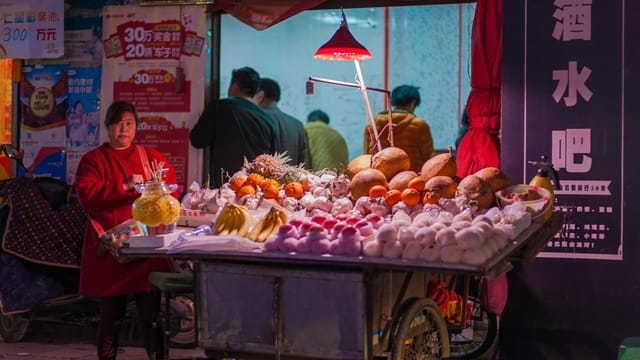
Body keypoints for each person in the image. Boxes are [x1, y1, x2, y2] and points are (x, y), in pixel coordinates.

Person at [75, 100, 178, 360]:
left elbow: (172, 188)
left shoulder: (151, 158)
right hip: (114, 251)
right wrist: (122, 185)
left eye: (129, 123)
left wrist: (159, 190)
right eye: (119, 123)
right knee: (111, 317)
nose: (124, 128)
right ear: (108, 126)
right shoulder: (93, 160)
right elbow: (87, 195)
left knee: (152, 318)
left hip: (146, 250)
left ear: (136, 127)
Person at [190, 67, 280, 187]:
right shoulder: (267, 119)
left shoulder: (218, 107)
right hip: (254, 189)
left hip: (224, 188)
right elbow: (274, 158)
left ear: (235, 86)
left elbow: (197, 140)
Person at [363, 85, 434, 173]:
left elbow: (366, 157)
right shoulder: (419, 125)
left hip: (379, 178)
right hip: (411, 181)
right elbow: (429, 160)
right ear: (413, 103)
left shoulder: (372, 124)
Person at [254, 78, 308, 166]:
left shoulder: (253, 121)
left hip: (257, 179)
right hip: (292, 179)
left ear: (260, 95)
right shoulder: (297, 125)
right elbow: (302, 163)